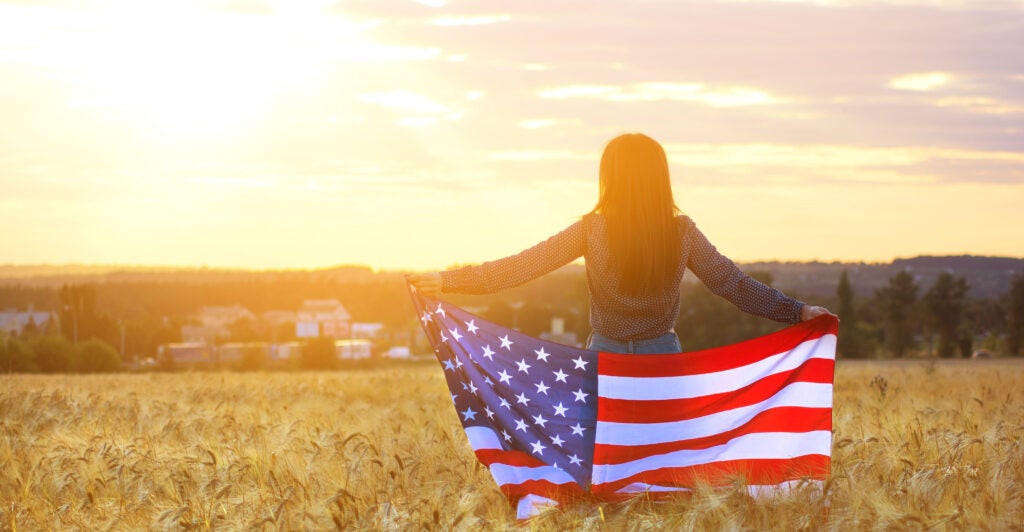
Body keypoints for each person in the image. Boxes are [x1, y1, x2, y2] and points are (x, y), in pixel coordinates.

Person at [408, 133, 834, 354]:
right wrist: (798, 312)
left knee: (609, 461)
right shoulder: (682, 231)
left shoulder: (591, 230)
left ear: (610, 176)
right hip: (663, 355)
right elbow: (733, 285)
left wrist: (446, 281)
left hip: (605, 357)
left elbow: (521, 267)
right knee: (662, 457)